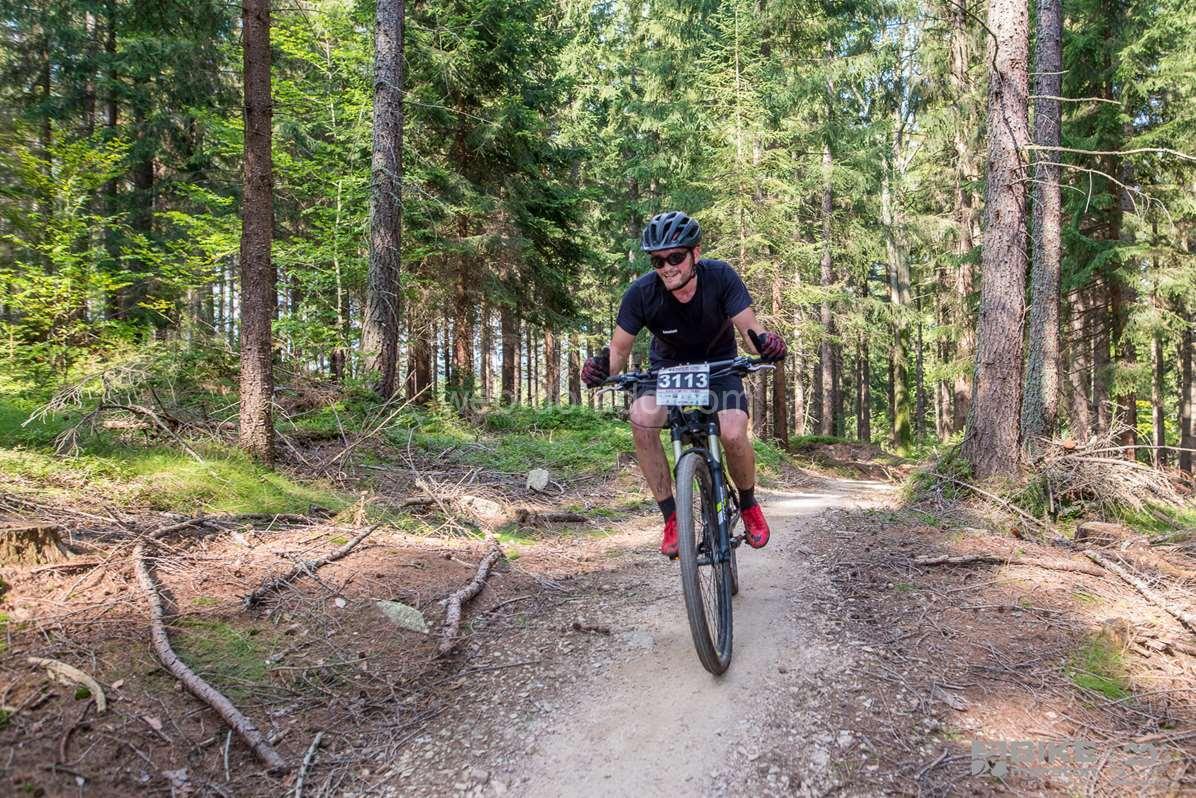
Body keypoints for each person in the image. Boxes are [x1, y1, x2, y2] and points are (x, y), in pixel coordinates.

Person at [581, 210, 787, 558]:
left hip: (719, 367)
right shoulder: (641, 293)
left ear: (696, 253)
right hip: (668, 370)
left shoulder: (721, 277)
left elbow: (752, 333)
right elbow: (618, 351)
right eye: (658, 261)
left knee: (733, 432)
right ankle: (672, 518)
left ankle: (749, 503)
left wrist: (767, 344)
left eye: (675, 257)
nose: (667, 267)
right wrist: (600, 368)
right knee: (641, 419)